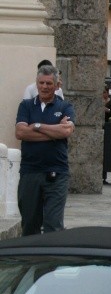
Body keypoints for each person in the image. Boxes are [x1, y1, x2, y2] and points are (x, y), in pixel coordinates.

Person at [14, 64, 75, 235]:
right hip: (30, 172)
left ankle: (51, 261)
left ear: (56, 86)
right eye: (41, 83)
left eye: (49, 83)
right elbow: (20, 132)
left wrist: (37, 126)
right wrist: (54, 133)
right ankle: (30, 261)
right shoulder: (26, 106)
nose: (44, 87)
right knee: (29, 224)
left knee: (53, 225)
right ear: (36, 83)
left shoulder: (65, 107)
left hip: (56, 174)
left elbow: (67, 131)